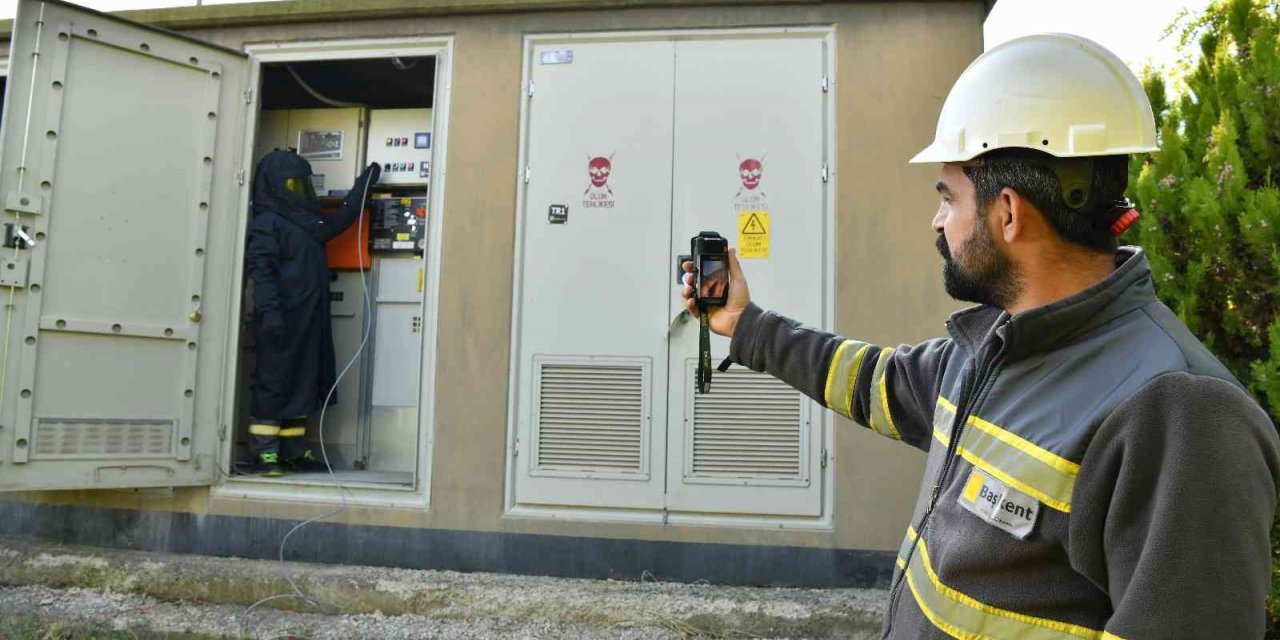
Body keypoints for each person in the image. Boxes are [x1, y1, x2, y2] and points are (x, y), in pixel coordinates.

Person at [682, 33, 1280, 638]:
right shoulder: (998, 347)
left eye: (948, 199)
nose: (937, 221)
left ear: (1009, 213)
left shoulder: (1183, 413)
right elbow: (875, 381)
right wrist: (744, 323)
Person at [245, 149, 381, 477]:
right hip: (280, 318)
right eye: (293, 184)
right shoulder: (268, 223)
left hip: (309, 319)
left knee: (303, 382)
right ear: (275, 186)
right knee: (274, 382)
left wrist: (361, 189)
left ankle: (292, 452)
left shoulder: (306, 223)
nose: (301, 190)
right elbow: (261, 271)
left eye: (303, 183)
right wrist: (270, 313)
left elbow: (337, 223)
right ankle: (264, 453)